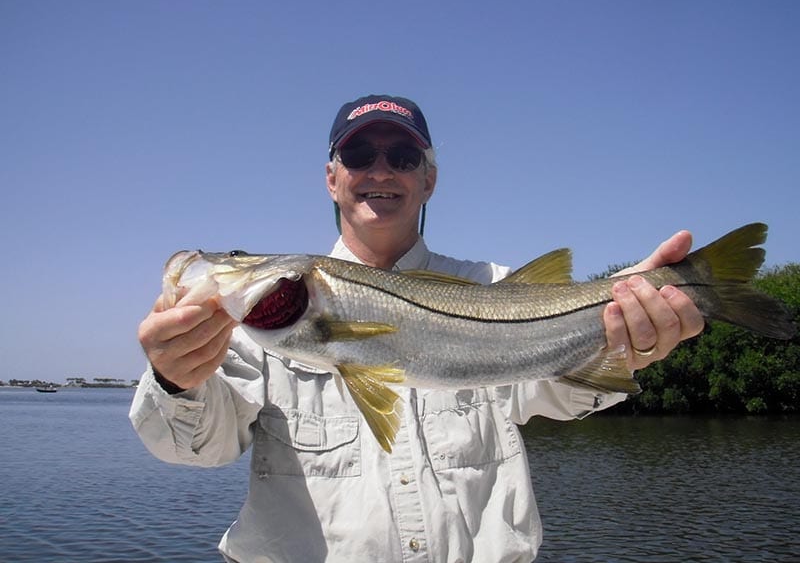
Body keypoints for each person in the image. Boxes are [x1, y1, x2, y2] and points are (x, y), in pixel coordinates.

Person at [131, 94, 704, 562]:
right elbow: (194, 449)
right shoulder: (245, 327)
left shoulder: (499, 288)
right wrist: (175, 379)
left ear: (429, 181)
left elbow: (550, 390)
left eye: (402, 157)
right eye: (359, 156)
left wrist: (626, 338)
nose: (380, 170)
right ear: (332, 178)